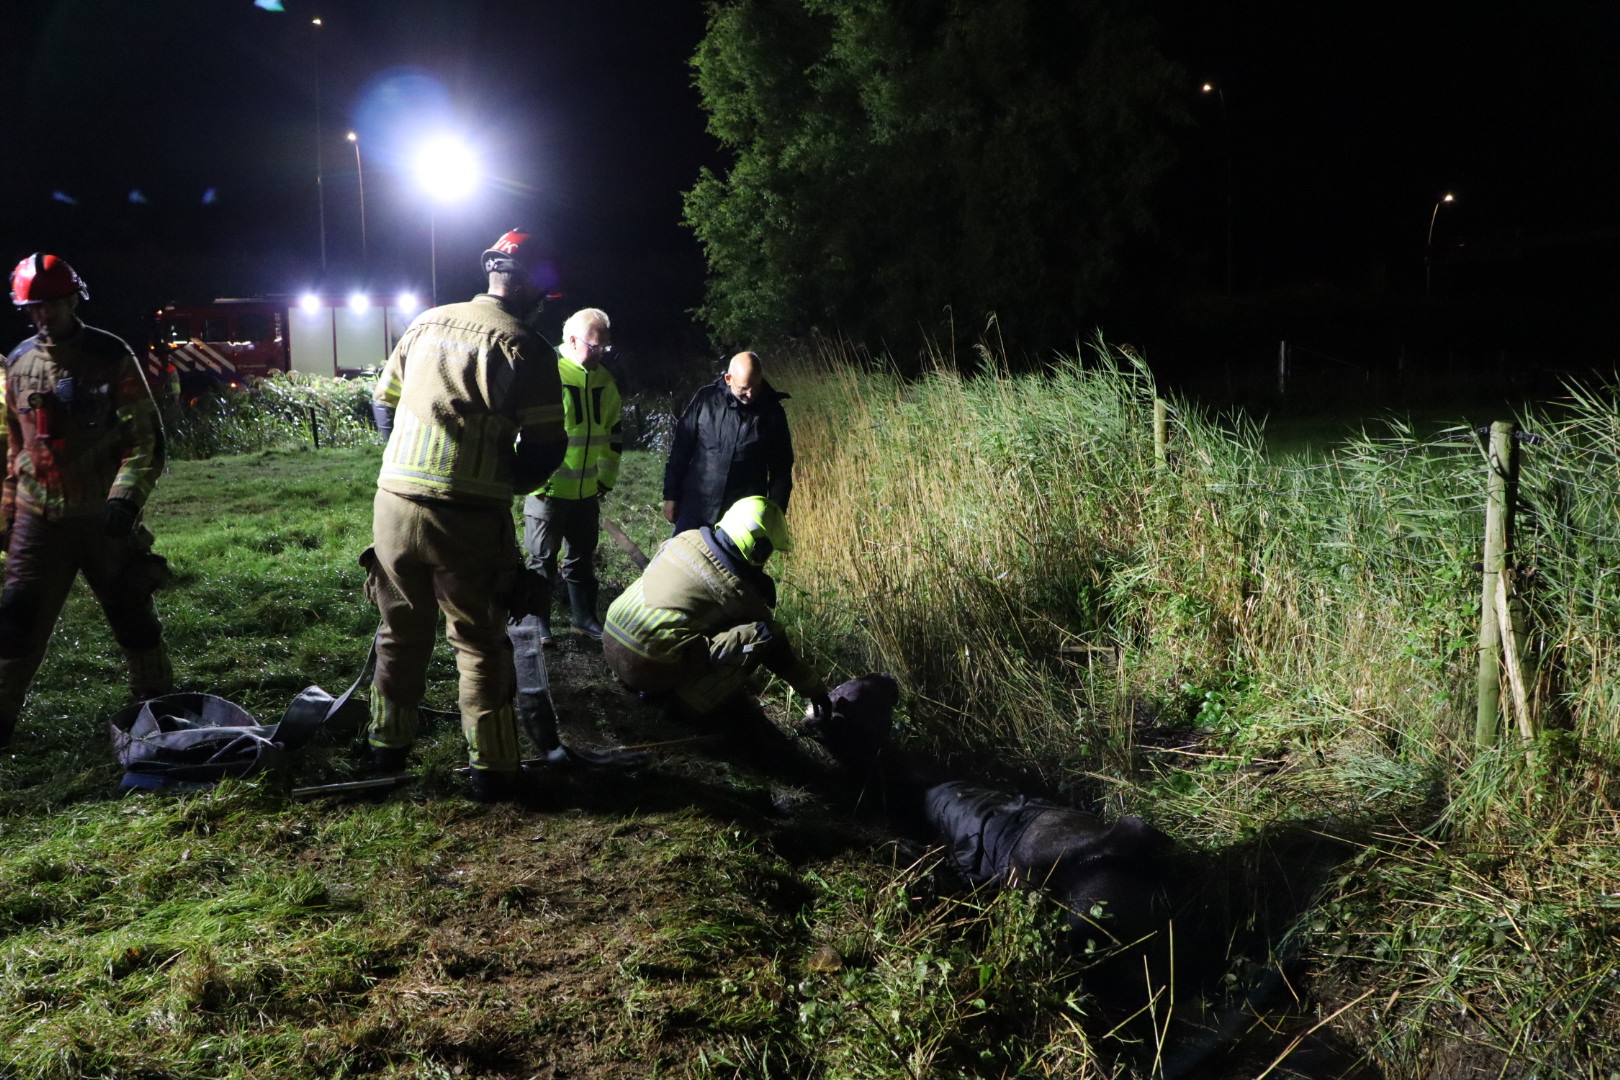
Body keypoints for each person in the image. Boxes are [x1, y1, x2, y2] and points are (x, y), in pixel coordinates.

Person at [364, 228, 567, 801]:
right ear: (528, 287)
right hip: (469, 518)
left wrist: (402, 462)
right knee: (479, 640)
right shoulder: (526, 347)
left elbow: (384, 400)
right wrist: (504, 480)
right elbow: (549, 446)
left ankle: (386, 748)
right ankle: (494, 768)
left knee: (399, 630)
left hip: (394, 506)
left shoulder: (425, 322)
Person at [0, 253, 172, 750]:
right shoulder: (17, 364)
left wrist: (124, 499)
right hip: (39, 520)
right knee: (14, 625)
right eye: (32, 307)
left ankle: (158, 713)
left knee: (134, 618)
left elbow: (146, 439)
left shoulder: (110, 355)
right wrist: (7, 517)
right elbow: (14, 451)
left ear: (74, 298)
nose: (41, 315)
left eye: (50, 304)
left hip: (103, 519)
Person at [603, 495, 828, 719]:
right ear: (759, 548)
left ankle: (642, 681)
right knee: (764, 635)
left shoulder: (685, 537)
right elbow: (779, 654)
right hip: (649, 665)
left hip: (611, 640)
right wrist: (816, 691)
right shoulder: (741, 592)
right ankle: (681, 706)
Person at [521, 307, 621, 644]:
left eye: (607, 346)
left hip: (586, 491)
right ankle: (536, 622)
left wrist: (604, 480)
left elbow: (612, 436)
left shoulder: (605, 381)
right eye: (597, 347)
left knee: (582, 557)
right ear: (574, 340)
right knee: (542, 560)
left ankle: (583, 619)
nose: (602, 353)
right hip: (547, 490)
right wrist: (534, 479)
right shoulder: (547, 372)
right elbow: (525, 430)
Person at [662, 351, 794, 535]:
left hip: (741, 520)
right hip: (695, 508)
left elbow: (781, 469)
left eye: (755, 387)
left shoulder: (772, 414)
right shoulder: (705, 400)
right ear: (728, 378)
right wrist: (671, 496)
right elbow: (681, 449)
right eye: (744, 388)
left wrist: (774, 516)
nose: (750, 394)